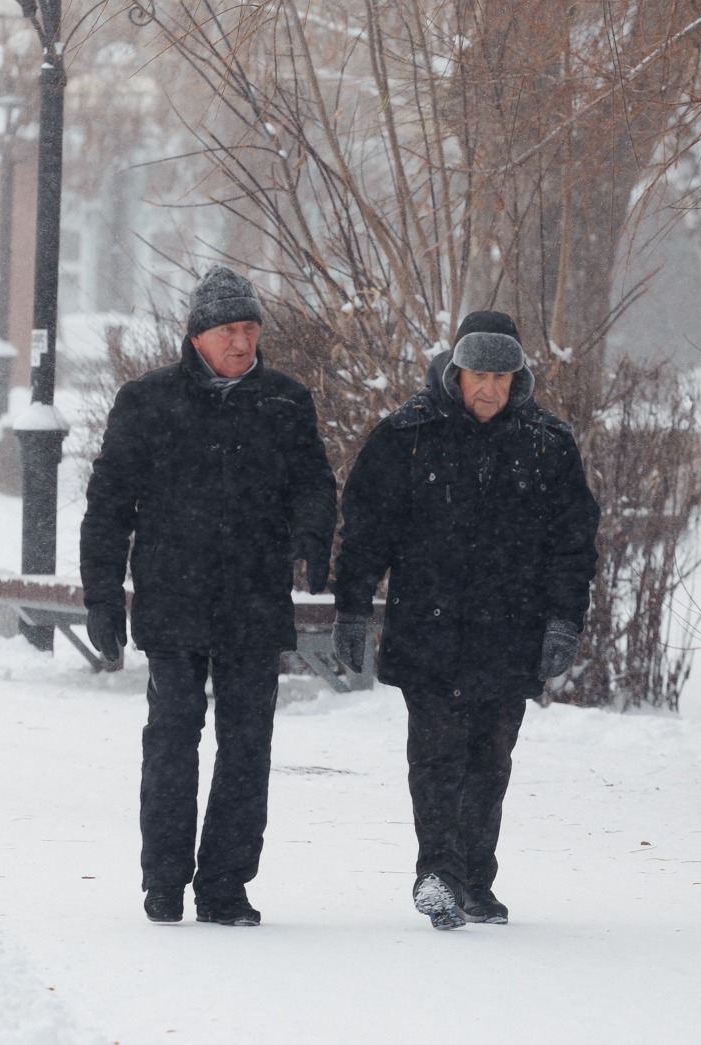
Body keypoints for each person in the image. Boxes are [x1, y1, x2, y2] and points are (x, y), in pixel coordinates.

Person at [80, 266, 337, 927]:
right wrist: (102, 595)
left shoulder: (284, 401)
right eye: (230, 330)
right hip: (174, 599)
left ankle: (224, 883)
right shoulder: (148, 401)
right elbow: (109, 504)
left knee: (248, 745)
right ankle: (164, 879)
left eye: (251, 329)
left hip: (255, 600)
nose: (243, 342)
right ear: (198, 335)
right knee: (172, 740)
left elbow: (315, 481)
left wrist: (314, 532)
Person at [332, 310, 600, 930]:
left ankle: (476, 880)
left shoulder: (547, 442)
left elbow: (573, 541)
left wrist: (565, 619)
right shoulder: (406, 435)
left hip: (512, 629)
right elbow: (366, 529)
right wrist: (351, 605)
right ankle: (439, 875)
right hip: (429, 626)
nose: (489, 389)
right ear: (455, 372)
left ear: (519, 379)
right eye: (479, 373)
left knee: (491, 757)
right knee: (436, 754)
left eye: (502, 377)